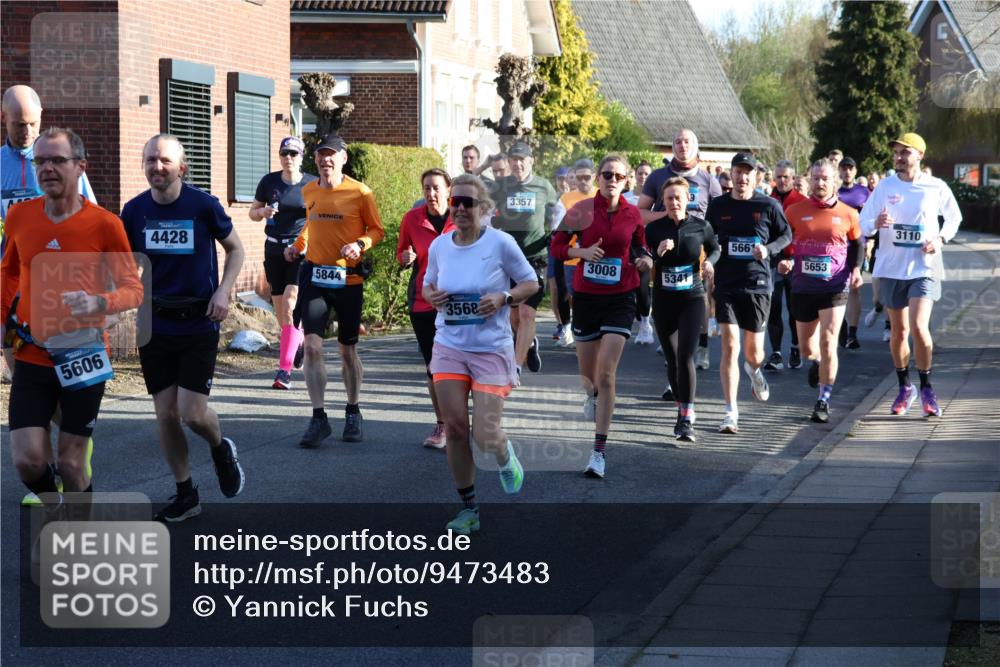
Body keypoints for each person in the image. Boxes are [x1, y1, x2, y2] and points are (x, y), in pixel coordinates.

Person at [2, 128, 142, 510]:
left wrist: (99, 301)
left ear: (80, 167)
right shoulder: (19, 216)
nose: (47, 168)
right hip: (32, 352)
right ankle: (53, 503)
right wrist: (2, 328)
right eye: (40, 160)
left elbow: (133, 288)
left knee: (71, 462)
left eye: (57, 160)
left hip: (84, 353)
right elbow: (8, 272)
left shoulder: (105, 223)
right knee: (27, 460)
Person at [121, 134, 246, 522]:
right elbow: (122, 263)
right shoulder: (134, 211)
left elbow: (237, 249)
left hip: (198, 320)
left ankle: (220, 446)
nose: (157, 167)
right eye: (150, 160)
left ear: (182, 167)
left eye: (164, 161)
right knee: (165, 415)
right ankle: (185, 493)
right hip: (154, 323)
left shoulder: (203, 206)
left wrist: (224, 292)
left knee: (192, 413)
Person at [422, 174, 538, 534]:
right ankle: (469, 508)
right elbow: (428, 283)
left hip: (490, 349)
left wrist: (504, 298)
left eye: (468, 203)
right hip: (450, 345)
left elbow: (531, 283)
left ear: (484, 208)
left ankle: (504, 457)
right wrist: (431, 296)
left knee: (485, 435)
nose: (459, 208)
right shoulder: (441, 247)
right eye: (455, 201)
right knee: (456, 429)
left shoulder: (500, 243)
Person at [2, 85, 100, 503]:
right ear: (3, 119)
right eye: (17, 124)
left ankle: (74, 456)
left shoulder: (61, 164)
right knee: (26, 376)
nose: (26, 132)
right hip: (13, 299)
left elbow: (92, 220)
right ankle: (46, 472)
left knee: (59, 380)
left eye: (32, 124)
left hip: (61, 301)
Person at [551, 154, 653, 478]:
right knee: (589, 377)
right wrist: (580, 252)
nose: (612, 180)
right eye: (606, 174)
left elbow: (640, 247)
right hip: (586, 297)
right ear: (598, 178)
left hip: (621, 296)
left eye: (618, 176)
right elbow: (556, 247)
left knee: (607, 373)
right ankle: (591, 394)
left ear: (626, 182)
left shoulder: (632, 213)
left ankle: (598, 452)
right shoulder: (580, 211)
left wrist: (646, 260)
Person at [284, 134, 385, 446]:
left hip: (348, 280)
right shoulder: (309, 190)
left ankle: (353, 409)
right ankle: (318, 417)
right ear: (315, 160)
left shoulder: (360, 192)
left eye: (332, 155)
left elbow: (377, 230)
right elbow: (311, 224)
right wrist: (297, 246)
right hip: (315, 275)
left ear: (343, 159)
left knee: (347, 350)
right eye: (321, 155)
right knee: (312, 346)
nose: (326, 160)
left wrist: (359, 244)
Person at [860, 133, 961, 417]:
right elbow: (864, 222)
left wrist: (939, 240)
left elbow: (954, 218)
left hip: (924, 267)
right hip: (892, 268)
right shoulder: (885, 186)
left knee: (919, 327)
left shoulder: (935, 186)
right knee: (899, 331)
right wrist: (875, 223)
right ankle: (905, 387)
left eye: (905, 153)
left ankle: (927, 387)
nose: (899, 157)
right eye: (896, 153)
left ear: (919, 155)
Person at [706, 152, 792, 434]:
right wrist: (708, 265)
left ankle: (755, 372)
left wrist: (768, 249)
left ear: (756, 176)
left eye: (748, 172)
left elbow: (786, 235)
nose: (742, 177)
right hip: (727, 284)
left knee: (754, 354)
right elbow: (709, 240)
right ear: (730, 175)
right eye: (738, 172)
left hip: (758, 285)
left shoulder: (768, 205)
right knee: (730, 346)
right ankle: (731, 411)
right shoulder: (717, 206)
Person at [778, 159, 863, 423]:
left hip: (835, 285)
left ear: (835, 180)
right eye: (815, 178)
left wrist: (857, 270)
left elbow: (857, 243)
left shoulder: (849, 213)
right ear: (809, 179)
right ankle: (815, 363)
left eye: (825, 178)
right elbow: (782, 240)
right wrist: (784, 259)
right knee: (807, 349)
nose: (820, 183)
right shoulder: (793, 210)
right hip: (802, 286)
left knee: (828, 341)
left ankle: (823, 400)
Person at [638, 129, 722, 374]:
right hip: (665, 245)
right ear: (672, 146)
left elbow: (720, 213)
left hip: (697, 243)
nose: (682, 146)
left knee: (699, 296)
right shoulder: (657, 177)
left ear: (695, 146)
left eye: (687, 142)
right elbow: (641, 213)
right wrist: (670, 213)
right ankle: (671, 340)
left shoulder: (708, 179)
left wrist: (710, 240)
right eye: (678, 141)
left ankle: (702, 346)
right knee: (669, 293)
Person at [645, 177, 720, 442]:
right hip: (664, 301)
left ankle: (686, 417)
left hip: (692, 298)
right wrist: (656, 252)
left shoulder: (701, 226)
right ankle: (681, 407)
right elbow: (641, 256)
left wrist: (710, 262)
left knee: (686, 357)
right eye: (669, 199)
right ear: (663, 202)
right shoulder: (654, 229)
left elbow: (715, 248)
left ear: (688, 199)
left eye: (678, 197)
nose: (674, 202)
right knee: (672, 359)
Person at [249, 136, 316, 390]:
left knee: (290, 302)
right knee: (281, 312)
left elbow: (315, 218)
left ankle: (284, 371)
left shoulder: (311, 184)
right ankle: (295, 343)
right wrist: (262, 212)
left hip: (299, 250)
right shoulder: (269, 182)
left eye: (293, 153)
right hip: (273, 248)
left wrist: (304, 242)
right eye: (284, 153)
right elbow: (252, 213)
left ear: (301, 157)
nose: (288, 158)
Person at [397, 168, 456, 449]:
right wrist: (405, 257)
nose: (431, 194)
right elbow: (402, 253)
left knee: (463, 362)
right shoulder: (412, 219)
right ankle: (442, 425)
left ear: (448, 189)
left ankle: (468, 419)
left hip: (460, 302)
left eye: (436, 188)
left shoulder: (462, 218)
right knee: (434, 366)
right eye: (426, 189)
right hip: (423, 300)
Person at [490, 141, 559, 377]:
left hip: (535, 257)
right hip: (507, 257)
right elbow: (486, 209)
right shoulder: (501, 187)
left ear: (531, 161)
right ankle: (529, 343)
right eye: (513, 160)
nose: (517, 164)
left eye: (522, 160)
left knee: (527, 313)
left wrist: (555, 234)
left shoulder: (543, 185)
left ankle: (515, 367)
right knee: (514, 315)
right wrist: (491, 225)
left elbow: (558, 210)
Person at [764, 160, 807, 372]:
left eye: (786, 177)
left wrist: (792, 259)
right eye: (778, 177)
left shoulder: (802, 202)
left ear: (793, 179)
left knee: (794, 308)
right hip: (772, 259)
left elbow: (806, 234)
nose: (781, 181)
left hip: (794, 260)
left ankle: (795, 347)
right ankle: (776, 353)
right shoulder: (766, 200)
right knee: (773, 307)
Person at [550, 158, 598, 347]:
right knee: (566, 294)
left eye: (587, 177)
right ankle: (569, 327)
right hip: (570, 256)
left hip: (595, 257)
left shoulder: (601, 195)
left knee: (586, 297)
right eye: (579, 178)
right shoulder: (566, 199)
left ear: (594, 177)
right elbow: (556, 227)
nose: (583, 181)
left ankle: (585, 331)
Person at [837, 156, 870, 350]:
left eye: (850, 168)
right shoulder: (835, 192)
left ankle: (852, 333)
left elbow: (873, 214)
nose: (847, 171)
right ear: (839, 171)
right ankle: (840, 327)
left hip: (857, 245)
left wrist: (871, 241)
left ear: (855, 171)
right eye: (844, 168)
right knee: (837, 289)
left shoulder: (864, 192)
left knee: (854, 288)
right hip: (837, 247)